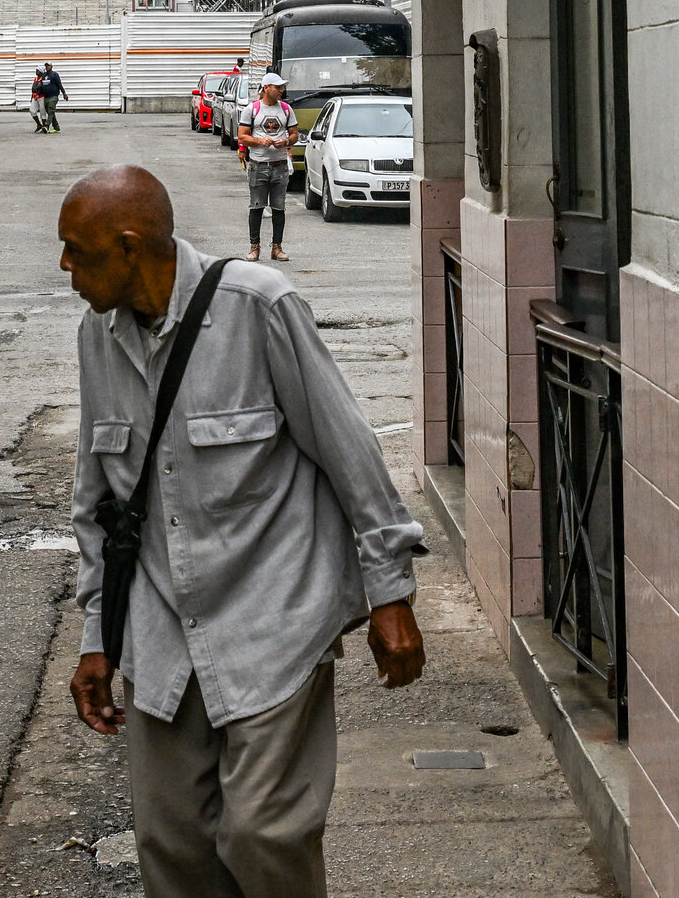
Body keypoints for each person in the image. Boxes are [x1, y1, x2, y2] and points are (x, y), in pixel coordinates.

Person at [62, 166, 425, 898]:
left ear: (129, 246)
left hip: (274, 620)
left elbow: (349, 451)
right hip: (161, 632)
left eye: (78, 249)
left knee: (264, 834)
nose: (65, 266)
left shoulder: (259, 307)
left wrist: (390, 593)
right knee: (172, 847)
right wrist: (97, 636)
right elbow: (97, 505)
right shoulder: (97, 336)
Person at [237, 73, 297, 263]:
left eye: (282, 87)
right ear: (266, 88)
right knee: (256, 206)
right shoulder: (252, 110)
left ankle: (277, 247)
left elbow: (295, 134)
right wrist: (259, 141)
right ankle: (254, 247)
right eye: (277, 87)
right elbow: (242, 136)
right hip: (258, 165)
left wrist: (286, 141)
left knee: (279, 208)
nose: (281, 91)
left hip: (280, 166)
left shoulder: (286, 109)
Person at [37, 62, 68, 133]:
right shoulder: (44, 75)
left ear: (51, 66)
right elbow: (41, 85)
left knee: (51, 110)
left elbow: (59, 84)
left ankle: (46, 126)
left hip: (53, 96)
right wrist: (38, 91)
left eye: (48, 65)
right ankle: (56, 127)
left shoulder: (54, 74)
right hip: (46, 97)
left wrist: (64, 93)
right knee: (50, 112)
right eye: (46, 66)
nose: (47, 67)